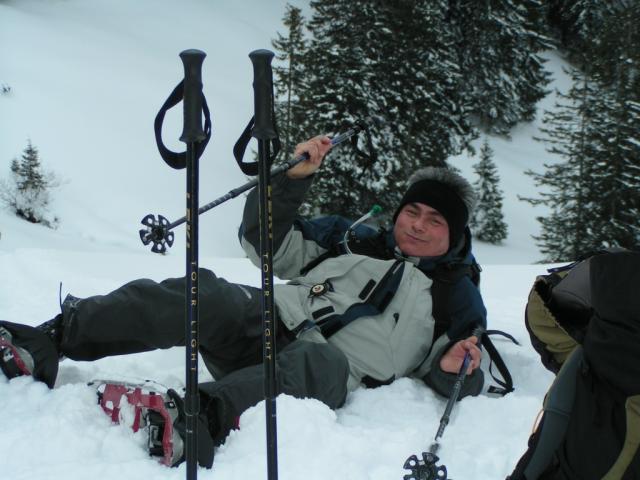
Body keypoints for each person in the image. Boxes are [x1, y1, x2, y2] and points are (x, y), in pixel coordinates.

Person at [0, 135, 486, 468]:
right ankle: (49, 340)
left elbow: (461, 371)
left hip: (326, 370)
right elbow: (265, 243)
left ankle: (195, 418)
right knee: (208, 293)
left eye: (435, 221)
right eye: (412, 211)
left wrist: (454, 366)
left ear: (455, 234)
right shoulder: (352, 237)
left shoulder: (456, 295)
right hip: (270, 322)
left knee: (319, 359)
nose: (417, 225)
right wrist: (291, 181)